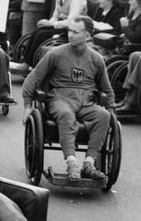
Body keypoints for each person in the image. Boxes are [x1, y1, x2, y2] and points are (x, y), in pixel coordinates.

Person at [21, 16, 114, 181]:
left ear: (87, 35)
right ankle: (72, 164)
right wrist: (28, 105)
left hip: (86, 101)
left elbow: (106, 88)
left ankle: (88, 163)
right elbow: (33, 78)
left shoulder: (96, 58)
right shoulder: (56, 53)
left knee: (104, 116)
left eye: (76, 32)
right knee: (66, 115)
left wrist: (112, 110)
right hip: (60, 99)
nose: (70, 34)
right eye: (70, 30)